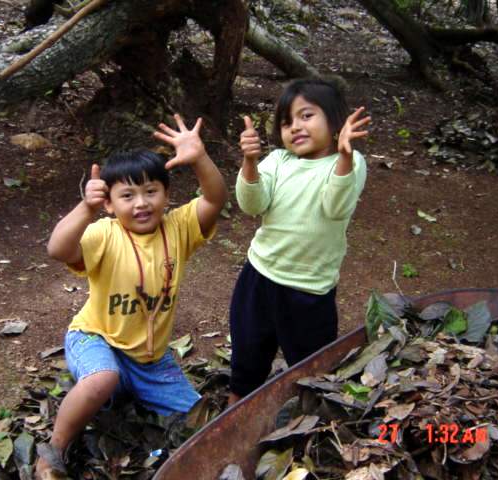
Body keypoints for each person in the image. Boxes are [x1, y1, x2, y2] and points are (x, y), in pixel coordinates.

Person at [36, 114, 228, 478]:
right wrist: (85, 208)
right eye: (127, 195)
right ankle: (54, 450)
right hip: (95, 338)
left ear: (166, 195)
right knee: (102, 379)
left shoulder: (179, 228)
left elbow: (215, 199)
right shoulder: (104, 233)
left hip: (151, 360)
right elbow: (57, 249)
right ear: (109, 204)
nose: (141, 203)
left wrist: (200, 157)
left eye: (151, 191)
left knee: (200, 423)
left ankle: (126, 409)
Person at [228, 77, 371, 405]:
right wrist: (249, 163)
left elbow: (336, 208)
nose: (295, 127)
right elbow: (252, 205)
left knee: (311, 368)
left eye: (306, 115)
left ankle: (309, 419)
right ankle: (235, 409)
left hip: (309, 289)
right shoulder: (278, 161)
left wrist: (345, 157)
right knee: (248, 353)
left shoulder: (349, 164)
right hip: (259, 277)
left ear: (335, 121)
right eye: (286, 122)